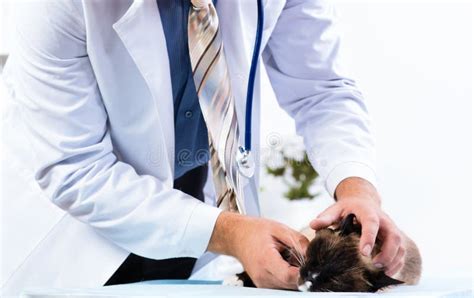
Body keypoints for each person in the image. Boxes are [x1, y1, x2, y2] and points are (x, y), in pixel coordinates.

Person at [1, 0, 406, 295]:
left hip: (199, 220)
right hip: (72, 236)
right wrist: (229, 233)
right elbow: (76, 170)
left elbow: (323, 90)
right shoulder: (52, 6)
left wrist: (357, 189)